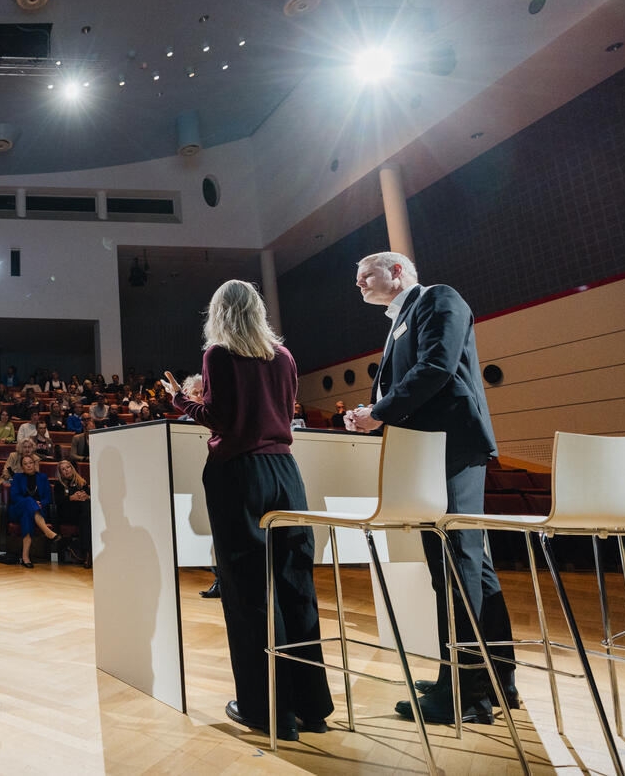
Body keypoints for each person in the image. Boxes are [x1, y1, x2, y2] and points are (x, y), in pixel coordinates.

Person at [346, 251, 515, 724]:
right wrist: (371, 410)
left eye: (366, 275)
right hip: (426, 453)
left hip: (451, 447)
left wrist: (377, 412)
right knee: (468, 566)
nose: (358, 284)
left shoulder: (439, 298)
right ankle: (492, 678)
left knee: (456, 566)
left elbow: (438, 366)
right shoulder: (399, 321)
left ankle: (463, 692)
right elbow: (406, 384)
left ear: (396, 271)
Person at [162, 279, 331, 742]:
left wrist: (181, 401)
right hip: (286, 472)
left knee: (249, 591)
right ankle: (312, 707)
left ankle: (266, 709)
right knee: (297, 584)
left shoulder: (218, 354)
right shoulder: (284, 356)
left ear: (219, 313)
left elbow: (220, 419)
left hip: (239, 474)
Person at [8, 454, 60, 568]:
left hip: (36, 510)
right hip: (17, 510)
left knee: (27, 516)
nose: (28, 466)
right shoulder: (17, 477)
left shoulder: (42, 477)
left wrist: (40, 503)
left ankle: (25, 557)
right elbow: (14, 496)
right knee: (28, 501)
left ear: (34, 464)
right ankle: (47, 531)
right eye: (25, 464)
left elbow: (47, 497)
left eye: (30, 463)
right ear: (22, 467)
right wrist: (31, 502)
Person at [53, 459, 91, 567]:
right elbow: (58, 501)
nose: (66, 470)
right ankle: (88, 553)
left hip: (81, 514)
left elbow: (88, 496)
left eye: (68, 467)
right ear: (60, 473)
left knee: (86, 512)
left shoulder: (82, 482)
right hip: (66, 514)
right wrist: (71, 498)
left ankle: (87, 553)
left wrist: (86, 496)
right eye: (63, 469)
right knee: (86, 513)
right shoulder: (59, 485)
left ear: (72, 468)